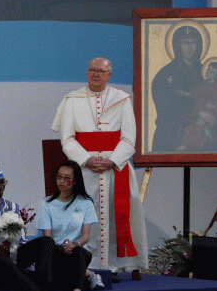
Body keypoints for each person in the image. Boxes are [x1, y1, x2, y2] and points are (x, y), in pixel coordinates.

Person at [52, 57, 147, 279]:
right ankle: (86, 265)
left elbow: (129, 138)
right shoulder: (72, 99)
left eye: (100, 71)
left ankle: (118, 265)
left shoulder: (121, 99)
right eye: (91, 70)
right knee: (85, 217)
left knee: (120, 215)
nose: (95, 74)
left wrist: (112, 160)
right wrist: (86, 159)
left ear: (109, 75)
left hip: (117, 168)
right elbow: (67, 139)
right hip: (85, 170)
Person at [32, 160, 102, 291]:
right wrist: (62, 247)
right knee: (62, 250)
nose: (62, 182)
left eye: (67, 178)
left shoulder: (85, 203)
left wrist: (74, 244)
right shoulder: (47, 204)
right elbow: (47, 240)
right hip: (55, 253)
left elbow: (86, 237)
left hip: (78, 251)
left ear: (75, 181)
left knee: (77, 251)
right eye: (59, 177)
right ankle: (89, 274)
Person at [151, 25, 205, 152]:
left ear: (199, 46)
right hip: (174, 130)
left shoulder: (205, 72)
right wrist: (195, 115)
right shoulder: (165, 75)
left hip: (201, 124)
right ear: (177, 46)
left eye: (193, 43)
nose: (189, 48)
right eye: (185, 43)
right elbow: (165, 111)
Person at [178, 60, 217, 152]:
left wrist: (214, 106)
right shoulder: (202, 84)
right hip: (198, 110)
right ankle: (186, 144)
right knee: (189, 125)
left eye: (212, 72)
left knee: (197, 126)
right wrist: (183, 93)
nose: (208, 72)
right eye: (208, 69)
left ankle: (188, 146)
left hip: (211, 113)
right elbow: (193, 93)